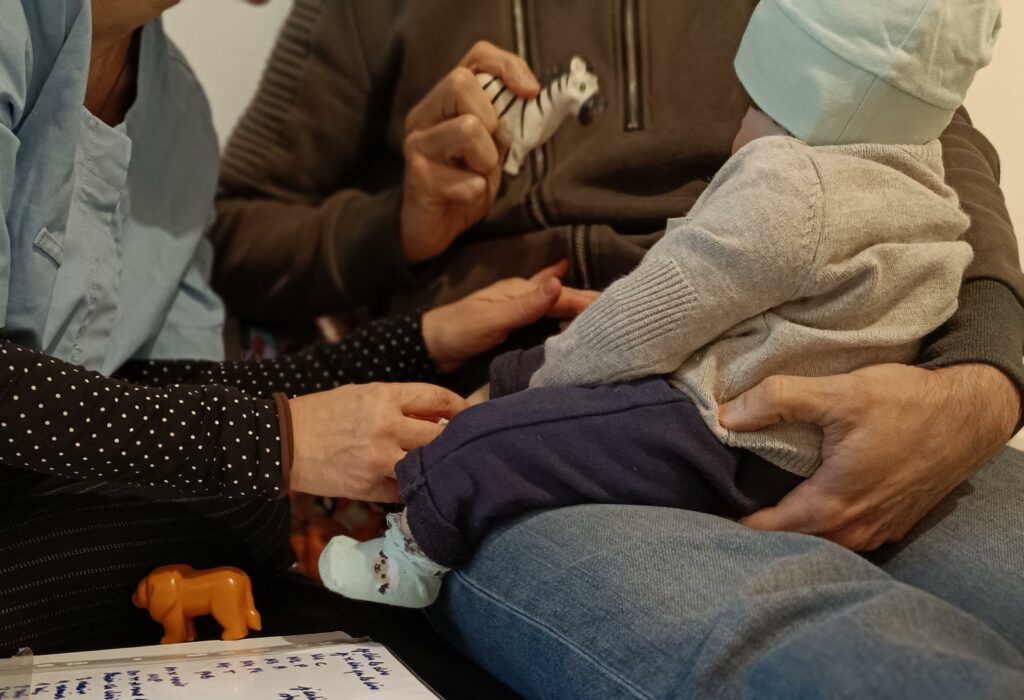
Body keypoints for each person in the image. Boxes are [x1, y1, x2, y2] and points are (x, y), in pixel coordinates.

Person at [213, 0, 1024, 695]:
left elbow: (940, 162)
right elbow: (239, 236)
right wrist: (397, 223)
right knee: (799, 643)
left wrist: (978, 391)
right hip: (540, 423)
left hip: (846, 392)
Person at [0, 0, 593, 655]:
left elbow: (167, 394)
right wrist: (278, 442)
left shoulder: (181, 114)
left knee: (240, 508)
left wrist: (419, 342)